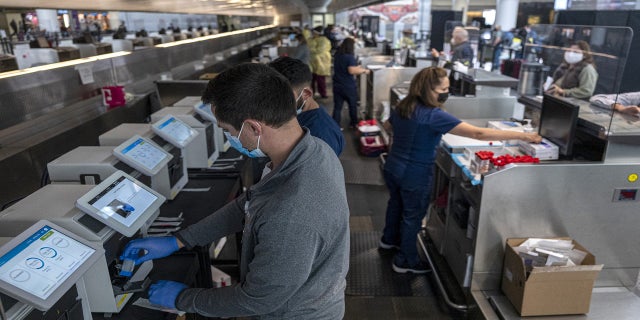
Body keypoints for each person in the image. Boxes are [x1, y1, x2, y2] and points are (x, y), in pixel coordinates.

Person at [120, 63, 350, 318]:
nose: (231, 138)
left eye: (228, 131)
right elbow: (249, 204)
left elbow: (258, 299)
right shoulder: (313, 150)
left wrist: (183, 298)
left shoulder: (291, 213)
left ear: (253, 127)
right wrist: (180, 240)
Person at [380, 67, 542, 274]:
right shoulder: (433, 115)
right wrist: (524, 136)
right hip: (415, 174)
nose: (446, 93)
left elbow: (387, 126)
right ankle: (405, 261)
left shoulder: (405, 105)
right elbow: (479, 134)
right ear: (429, 90)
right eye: (444, 89)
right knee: (412, 216)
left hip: (393, 167)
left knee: (396, 204)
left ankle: (389, 240)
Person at [269, 56, 344, 155]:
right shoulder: (295, 115)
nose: (276, 103)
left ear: (306, 94)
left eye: (283, 97)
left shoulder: (321, 137)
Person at [332, 37, 370, 129]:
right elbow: (351, 70)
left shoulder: (338, 55)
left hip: (337, 85)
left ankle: (335, 126)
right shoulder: (349, 57)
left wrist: (358, 67)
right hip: (348, 86)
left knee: (337, 107)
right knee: (352, 106)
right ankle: (353, 124)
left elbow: (346, 68)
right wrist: (364, 71)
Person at [309, 26, 332, 98]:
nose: (312, 34)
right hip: (312, 61)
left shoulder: (324, 40)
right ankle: (311, 94)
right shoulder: (311, 39)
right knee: (311, 79)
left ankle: (323, 93)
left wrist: (311, 49)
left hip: (322, 62)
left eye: (314, 33)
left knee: (320, 79)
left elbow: (320, 50)